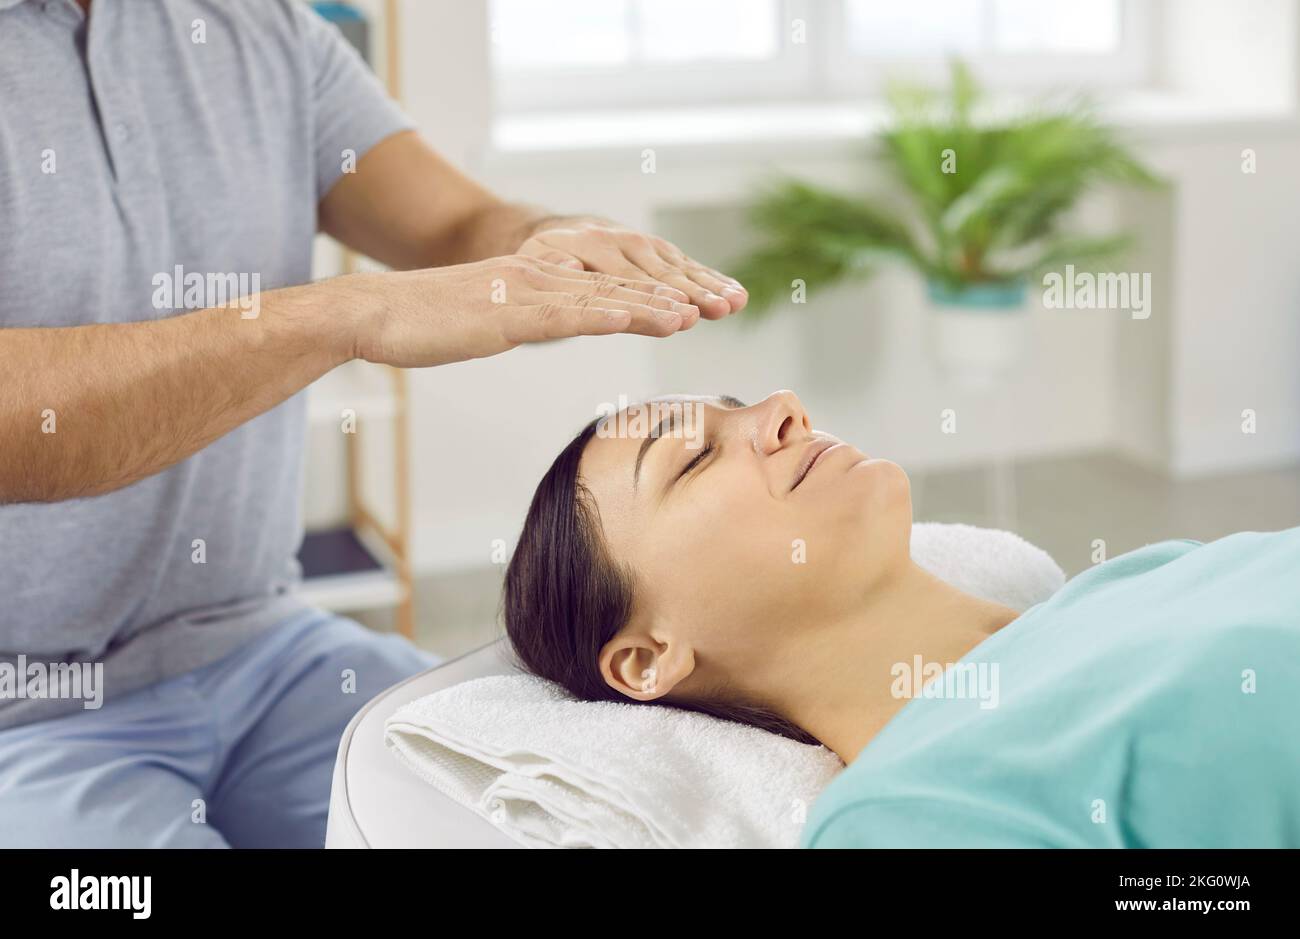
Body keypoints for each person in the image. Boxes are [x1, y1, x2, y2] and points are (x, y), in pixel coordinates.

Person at [0, 0, 747, 848]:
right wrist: (341, 315)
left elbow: (457, 223)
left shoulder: (262, 30)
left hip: (266, 646)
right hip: (22, 719)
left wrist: (544, 237)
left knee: (545, 810)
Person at [503, 392, 1300, 848]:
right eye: (695, 458)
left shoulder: (1137, 577)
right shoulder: (902, 814)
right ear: (648, 658)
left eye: (740, 408)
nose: (782, 411)